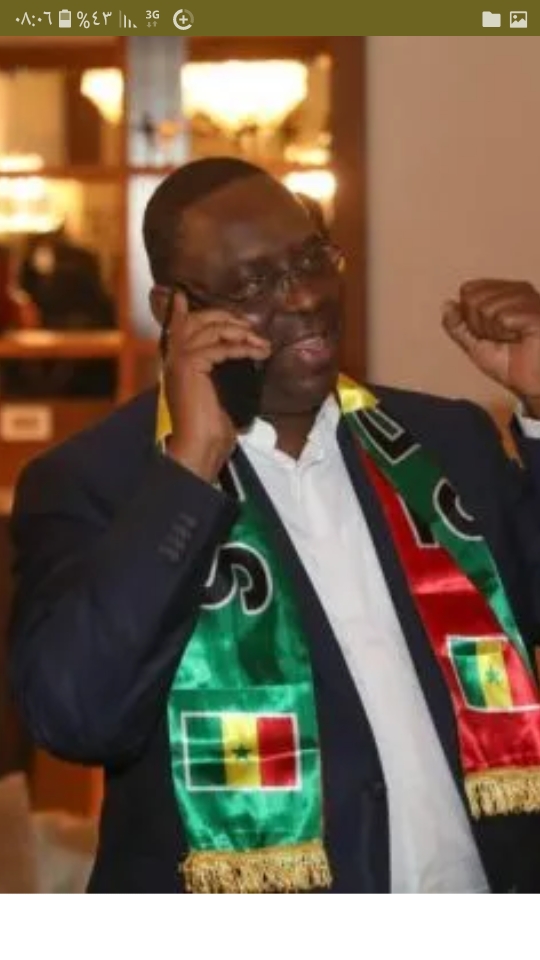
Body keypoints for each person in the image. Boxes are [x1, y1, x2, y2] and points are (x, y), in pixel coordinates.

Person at [8, 157, 540, 894]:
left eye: (312, 259)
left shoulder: (446, 443)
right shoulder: (99, 484)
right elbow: (76, 717)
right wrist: (188, 472)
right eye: (254, 283)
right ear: (173, 309)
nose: (306, 297)